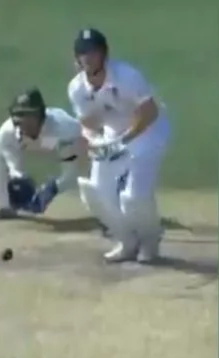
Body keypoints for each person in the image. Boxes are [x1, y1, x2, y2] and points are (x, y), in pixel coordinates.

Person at [67, 27, 172, 263]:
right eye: (83, 53)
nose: (88, 57)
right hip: (113, 135)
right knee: (96, 194)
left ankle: (150, 241)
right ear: (76, 58)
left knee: (133, 197)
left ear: (104, 53)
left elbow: (150, 112)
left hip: (149, 133)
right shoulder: (76, 88)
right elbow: (88, 123)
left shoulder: (127, 76)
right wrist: (95, 141)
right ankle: (126, 240)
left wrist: (123, 141)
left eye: (93, 52)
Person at [0, 88, 86, 220]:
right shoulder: (9, 130)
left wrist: (53, 189)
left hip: (66, 146)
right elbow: (9, 151)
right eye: (19, 114)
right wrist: (17, 174)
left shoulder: (65, 129)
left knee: (87, 177)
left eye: (28, 115)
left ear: (39, 115)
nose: (22, 120)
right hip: (35, 145)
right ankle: (2, 206)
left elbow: (73, 172)